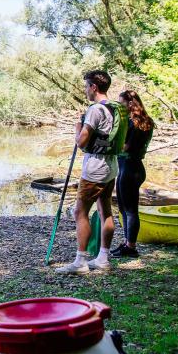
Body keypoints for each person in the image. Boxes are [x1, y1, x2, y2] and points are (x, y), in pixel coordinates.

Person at [57, 70, 127, 274]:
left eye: (86, 86)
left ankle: (80, 262)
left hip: (95, 168)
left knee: (80, 211)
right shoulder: (116, 108)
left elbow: (82, 141)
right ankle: (103, 259)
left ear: (94, 87)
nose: (85, 90)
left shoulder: (96, 110)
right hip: (111, 165)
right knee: (105, 210)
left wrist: (77, 127)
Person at [112, 90, 154, 258]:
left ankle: (131, 247)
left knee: (129, 210)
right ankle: (127, 241)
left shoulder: (132, 123)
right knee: (123, 208)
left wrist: (109, 144)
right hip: (133, 167)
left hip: (129, 167)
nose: (120, 106)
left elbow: (126, 147)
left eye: (121, 103)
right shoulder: (146, 121)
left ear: (130, 103)